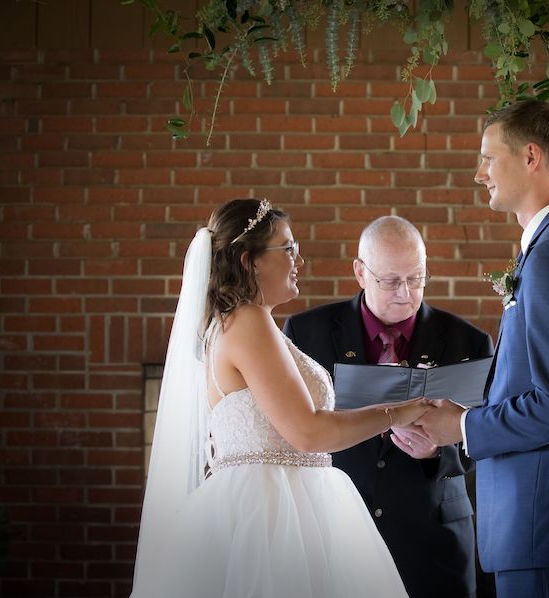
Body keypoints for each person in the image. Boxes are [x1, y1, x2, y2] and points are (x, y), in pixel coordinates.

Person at [130, 199, 431, 598]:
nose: (299, 260)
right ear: (250, 260)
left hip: (283, 502)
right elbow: (308, 432)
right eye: (288, 248)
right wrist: (398, 412)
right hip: (272, 518)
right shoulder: (248, 321)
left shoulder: (242, 322)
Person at [417, 100, 549, 598]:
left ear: (531, 157)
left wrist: (462, 426)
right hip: (544, 518)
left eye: (489, 158)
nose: (479, 174)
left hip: (546, 513)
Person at [283, 216, 494, 598]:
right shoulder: (306, 333)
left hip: (433, 541)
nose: (405, 293)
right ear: (360, 273)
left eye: (416, 279)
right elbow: (291, 430)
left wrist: (436, 451)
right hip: (337, 535)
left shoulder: (470, 342)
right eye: (391, 280)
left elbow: (482, 441)